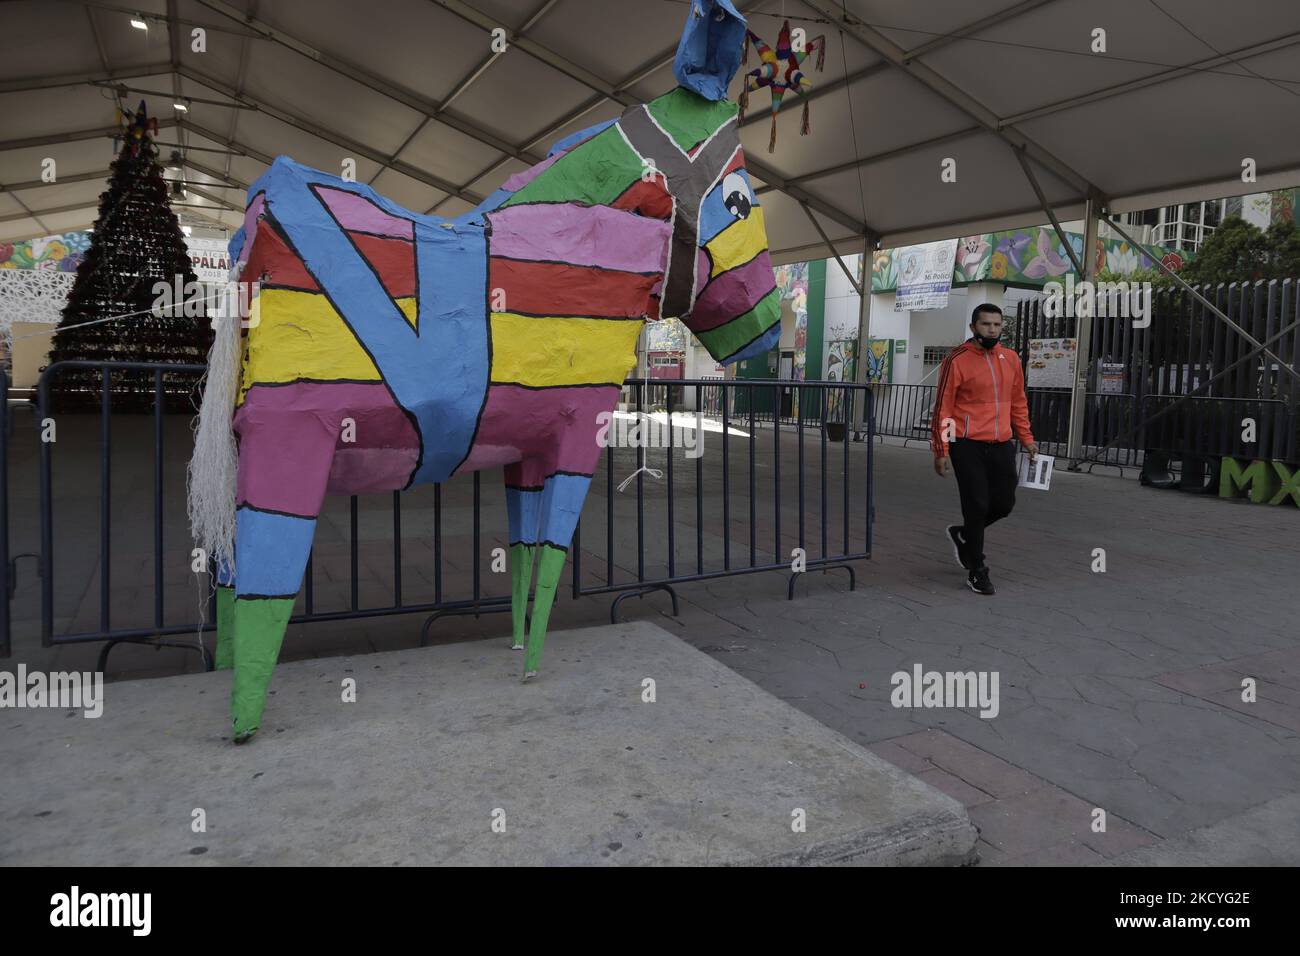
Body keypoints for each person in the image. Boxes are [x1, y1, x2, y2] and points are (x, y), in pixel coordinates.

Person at [931, 303, 1037, 595]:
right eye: (986, 324)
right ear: (973, 327)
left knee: (1004, 503)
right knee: (976, 505)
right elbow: (944, 407)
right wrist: (941, 449)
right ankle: (977, 569)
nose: (992, 329)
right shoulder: (957, 359)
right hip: (966, 444)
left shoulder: (1011, 359)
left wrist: (1026, 438)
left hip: (1002, 443)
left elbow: (1018, 402)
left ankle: (964, 533)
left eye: (997, 325)